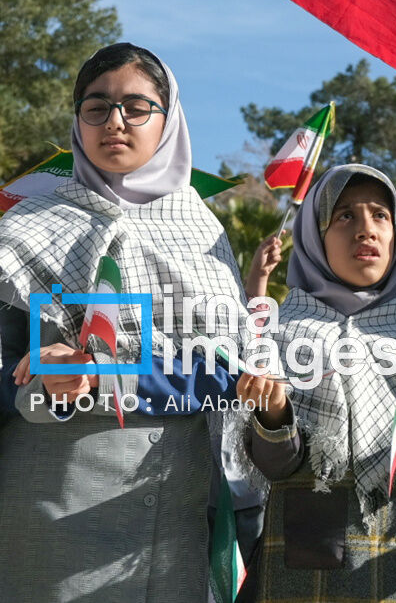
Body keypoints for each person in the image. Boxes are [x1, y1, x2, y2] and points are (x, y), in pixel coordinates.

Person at [0, 43, 249, 601]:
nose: (115, 121)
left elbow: (228, 373)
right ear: (77, 121)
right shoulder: (23, 227)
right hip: (47, 502)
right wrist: (44, 384)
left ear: (169, 118)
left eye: (136, 107)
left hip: (170, 509)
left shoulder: (202, 234)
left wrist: (108, 375)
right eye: (97, 107)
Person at [235, 163, 396, 603]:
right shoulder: (280, 335)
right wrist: (274, 415)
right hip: (299, 569)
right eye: (344, 215)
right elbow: (275, 467)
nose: (366, 230)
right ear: (314, 236)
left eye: (380, 215)